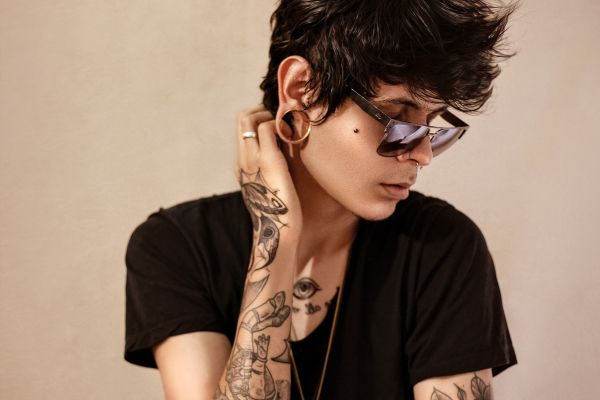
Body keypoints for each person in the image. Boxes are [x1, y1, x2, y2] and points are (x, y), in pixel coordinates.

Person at [124, 0, 519, 399]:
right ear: (301, 90)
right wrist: (276, 233)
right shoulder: (178, 246)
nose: (423, 154)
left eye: (432, 125)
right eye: (397, 119)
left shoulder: (441, 247)